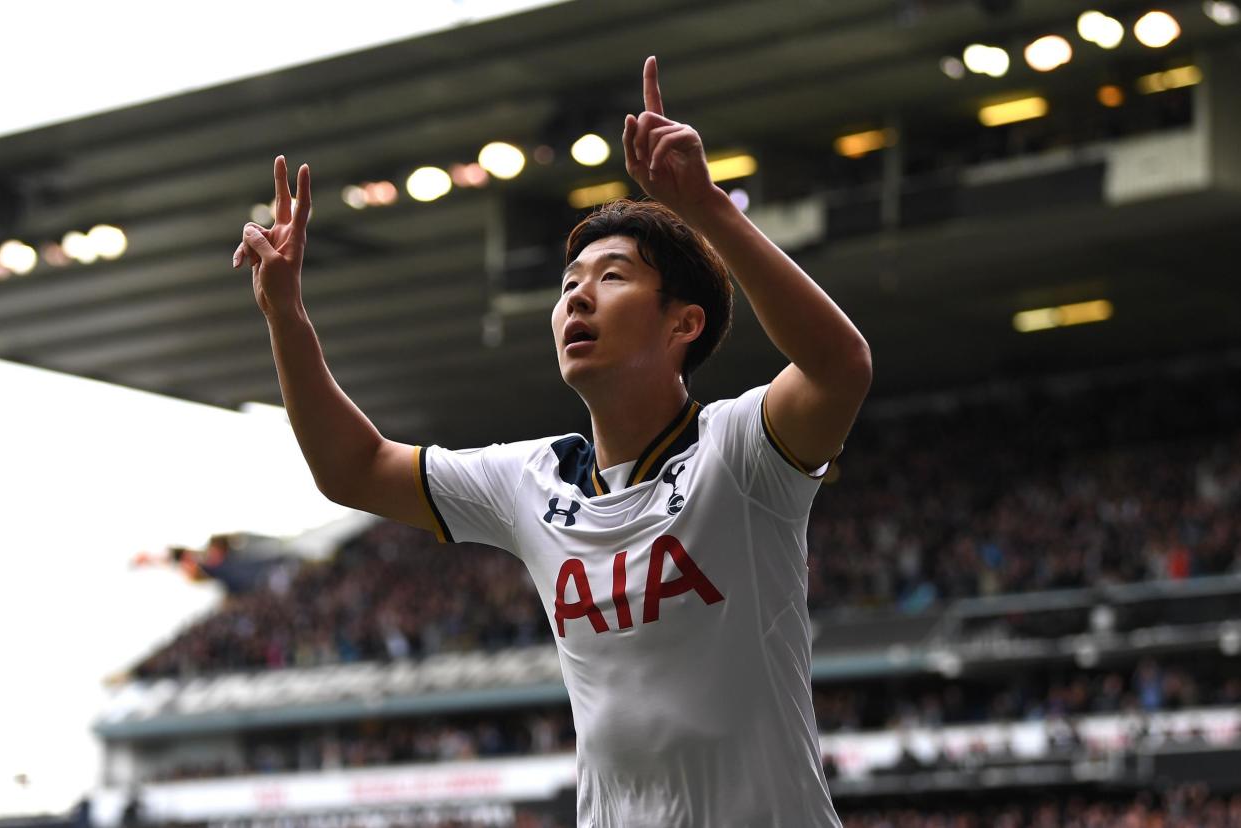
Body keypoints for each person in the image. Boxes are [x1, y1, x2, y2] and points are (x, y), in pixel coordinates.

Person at [233, 56, 870, 828]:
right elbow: (353, 468)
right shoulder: (530, 481)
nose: (577, 298)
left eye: (611, 277)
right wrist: (287, 319)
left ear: (683, 323)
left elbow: (839, 367)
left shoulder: (740, 453)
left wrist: (706, 207)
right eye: (568, 284)